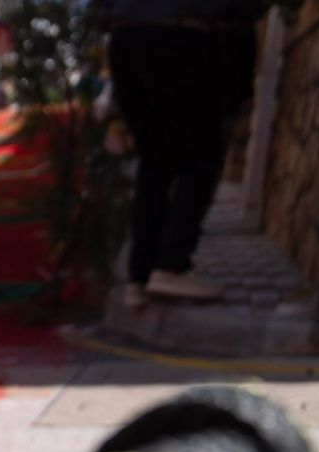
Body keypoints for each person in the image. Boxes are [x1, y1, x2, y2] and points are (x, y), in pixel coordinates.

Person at [105, 0, 268, 308]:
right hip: (179, 36)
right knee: (202, 156)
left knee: (154, 161)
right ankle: (171, 265)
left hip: (124, 40)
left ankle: (139, 278)